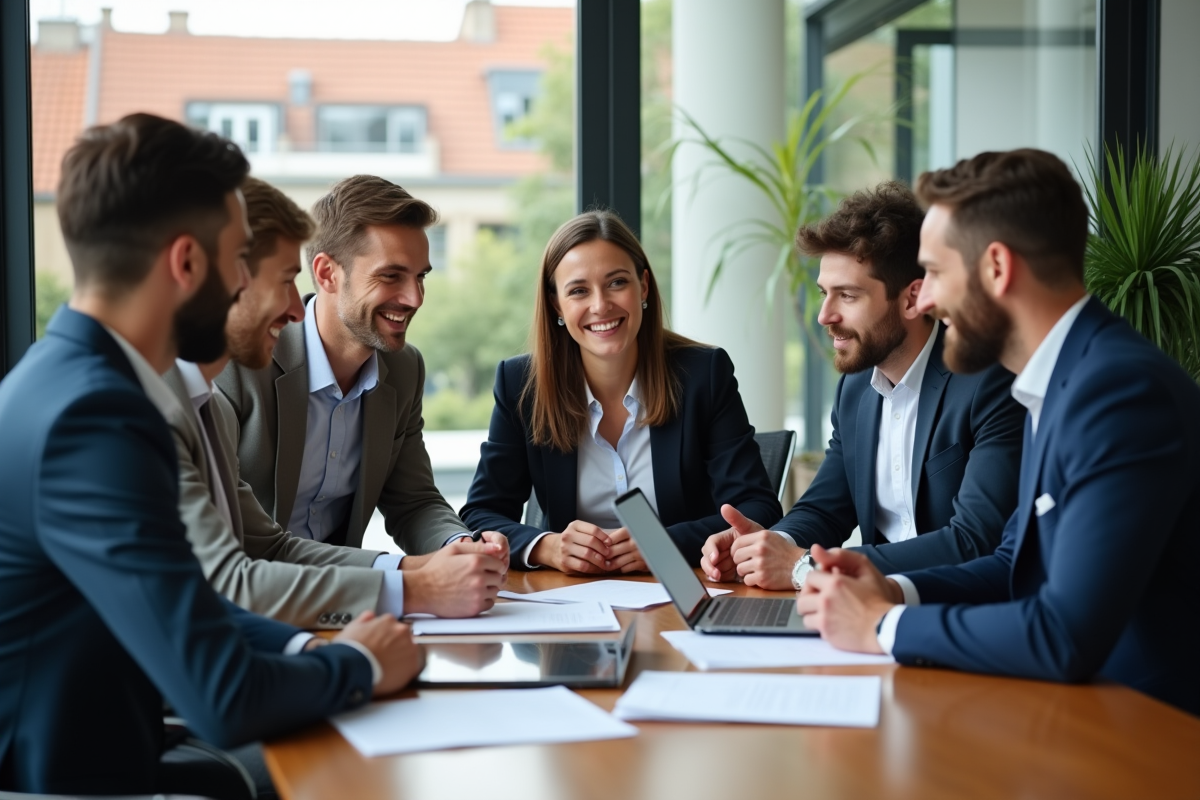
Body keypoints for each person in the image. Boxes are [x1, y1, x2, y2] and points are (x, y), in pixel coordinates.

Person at [0, 114, 423, 797]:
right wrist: (359, 666)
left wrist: (304, 647)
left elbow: (177, 601)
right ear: (186, 263)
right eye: (237, 260)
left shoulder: (68, 382)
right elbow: (222, 696)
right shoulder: (97, 419)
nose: (245, 285)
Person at [795, 149, 1200, 716]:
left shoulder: (1118, 391)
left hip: (1149, 729)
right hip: (1078, 710)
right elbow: (1015, 562)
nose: (926, 300)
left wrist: (885, 625)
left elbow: (1064, 634)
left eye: (934, 273)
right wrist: (892, 589)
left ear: (996, 268)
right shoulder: (1058, 377)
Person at [166, 177, 493, 628]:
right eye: (391, 276)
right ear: (326, 274)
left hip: (341, 611)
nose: (415, 299)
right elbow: (253, 553)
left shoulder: (404, 369)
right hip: (263, 609)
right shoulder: (232, 365)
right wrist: (412, 581)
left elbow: (413, 501)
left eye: (420, 278)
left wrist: (459, 550)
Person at [700, 182, 1025, 589]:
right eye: (824, 293)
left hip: (956, 614)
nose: (824, 316)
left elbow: (975, 541)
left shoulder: (988, 381)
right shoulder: (855, 388)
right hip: (870, 614)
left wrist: (806, 567)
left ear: (913, 299)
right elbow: (826, 509)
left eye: (847, 296)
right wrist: (767, 545)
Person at [460, 210, 782, 572]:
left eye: (616, 283)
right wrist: (546, 547)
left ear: (643, 286)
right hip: (569, 600)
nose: (600, 305)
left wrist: (662, 545)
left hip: (682, 593)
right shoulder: (521, 385)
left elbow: (757, 508)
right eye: (579, 290)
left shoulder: (702, 375)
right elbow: (480, 514)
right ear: (556, 306)